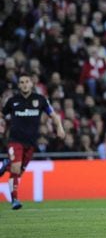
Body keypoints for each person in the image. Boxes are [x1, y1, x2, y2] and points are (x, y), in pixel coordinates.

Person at [0, 73, 65, 210]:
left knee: (18, 172)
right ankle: (15, 200)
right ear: (19, 85)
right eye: (22, 82)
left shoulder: (40, 100)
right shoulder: (13, 101)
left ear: (31, 84)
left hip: (31, 143)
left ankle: (6, 165)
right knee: (16, 169)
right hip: (15, 140)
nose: (24, 84)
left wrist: (59, 128)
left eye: (27, 82)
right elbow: (2, 115)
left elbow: (53, 115)